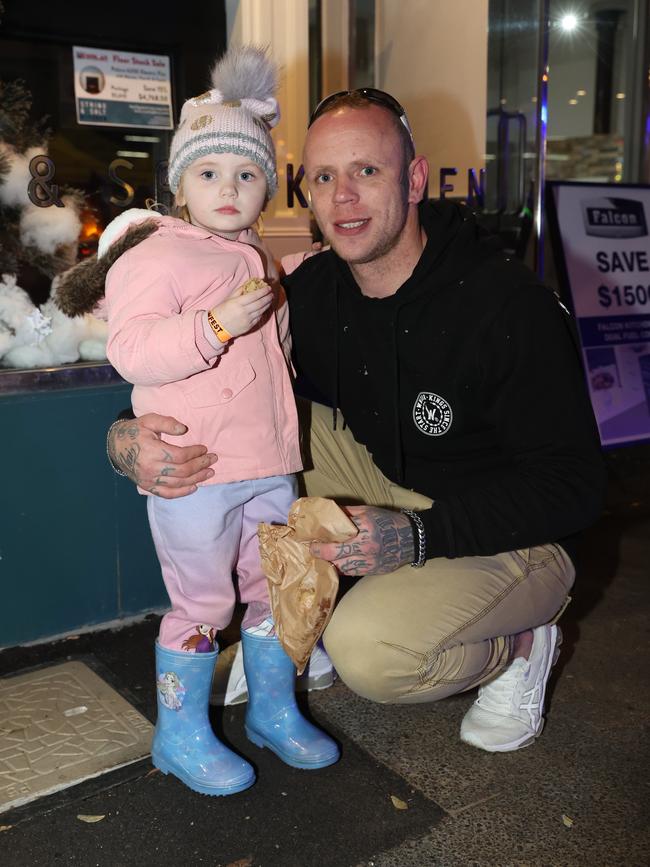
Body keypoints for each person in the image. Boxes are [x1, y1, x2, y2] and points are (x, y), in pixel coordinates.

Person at [105, 86, 606, 755]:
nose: (343, 198)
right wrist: (126, 438)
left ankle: (520, 645)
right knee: (262, 431)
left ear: (416, 178)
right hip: (395, 477)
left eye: (366, 171)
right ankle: (282, 652)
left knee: (372, 651)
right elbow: (217, 381)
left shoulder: (507, 306)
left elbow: (575, 486)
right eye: (323, 177)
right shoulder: (314, 290)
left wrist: (417, 536)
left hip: (520, 530)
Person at [63, 46, 341, 798]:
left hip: (268, 464)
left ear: (268, 186)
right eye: (210, 172)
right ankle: (179, 734)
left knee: (271, 588)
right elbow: (132, 350)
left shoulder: (263, 259)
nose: (230, 188)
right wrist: (213, 325)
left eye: (248, 173)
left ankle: (272, 709)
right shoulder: (154, 255)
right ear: (180, 180)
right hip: (196, 468)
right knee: (201, 603)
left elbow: (276, 359)